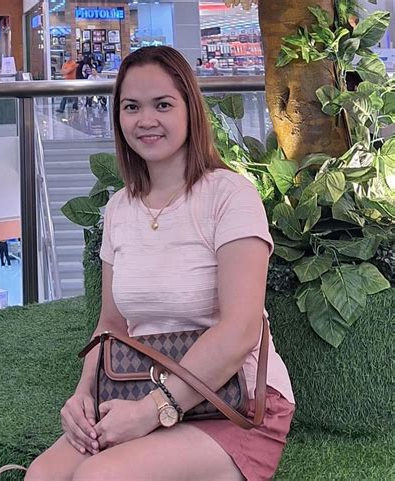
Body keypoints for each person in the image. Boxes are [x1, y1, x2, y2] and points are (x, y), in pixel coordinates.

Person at [25, 46, 294, 481]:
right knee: (43, 475)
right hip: (140, 390)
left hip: (236, 402)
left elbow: (241, 329)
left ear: (190, 110)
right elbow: (111, 325)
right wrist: (83, 396)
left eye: (163, 105)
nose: (145, 120)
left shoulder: (230, 196)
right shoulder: (118, 209)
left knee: (100, 476)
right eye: (131, 107)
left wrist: (154, 409)